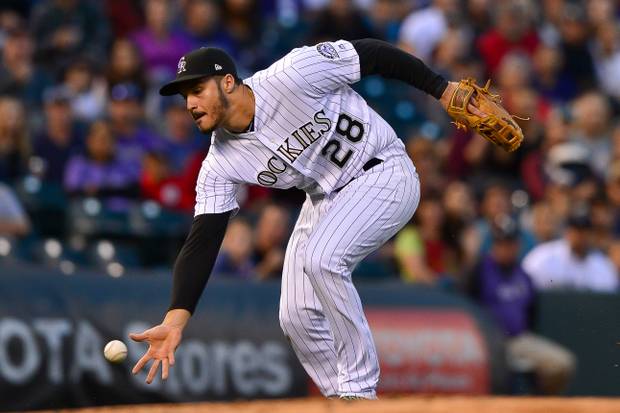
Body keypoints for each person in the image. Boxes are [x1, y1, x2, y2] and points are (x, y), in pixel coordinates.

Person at [128, 39, 487, 399]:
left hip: (383, 170)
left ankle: (359, 392)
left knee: (322, 259)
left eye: (197, 90)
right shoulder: (219, 165)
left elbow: (373, 55)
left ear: (228, 82)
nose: (189, 104)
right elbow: (203, 241)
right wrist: (175, 320)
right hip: (323, 199)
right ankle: (340, 399)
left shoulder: (292, 74)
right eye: (185, 96)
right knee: (296, 315)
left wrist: (440, 89)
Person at [467, 216, 575, 395]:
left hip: (517, 341)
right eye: (502, 243)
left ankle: (539, 404)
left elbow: (531, 313)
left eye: (510, 242)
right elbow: (466, 305)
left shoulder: (523, 275)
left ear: (517, 244)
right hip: (486, 343)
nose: (506, 248)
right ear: (494, 244)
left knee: (562, 364)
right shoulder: (479, 269)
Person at [523, 209, 618, 292]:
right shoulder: (544, 256)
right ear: (567, 231)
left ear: (592, 234)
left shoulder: (602, 265)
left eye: (585, 231)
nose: (580, 235)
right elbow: (524, 285)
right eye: (576, 230)